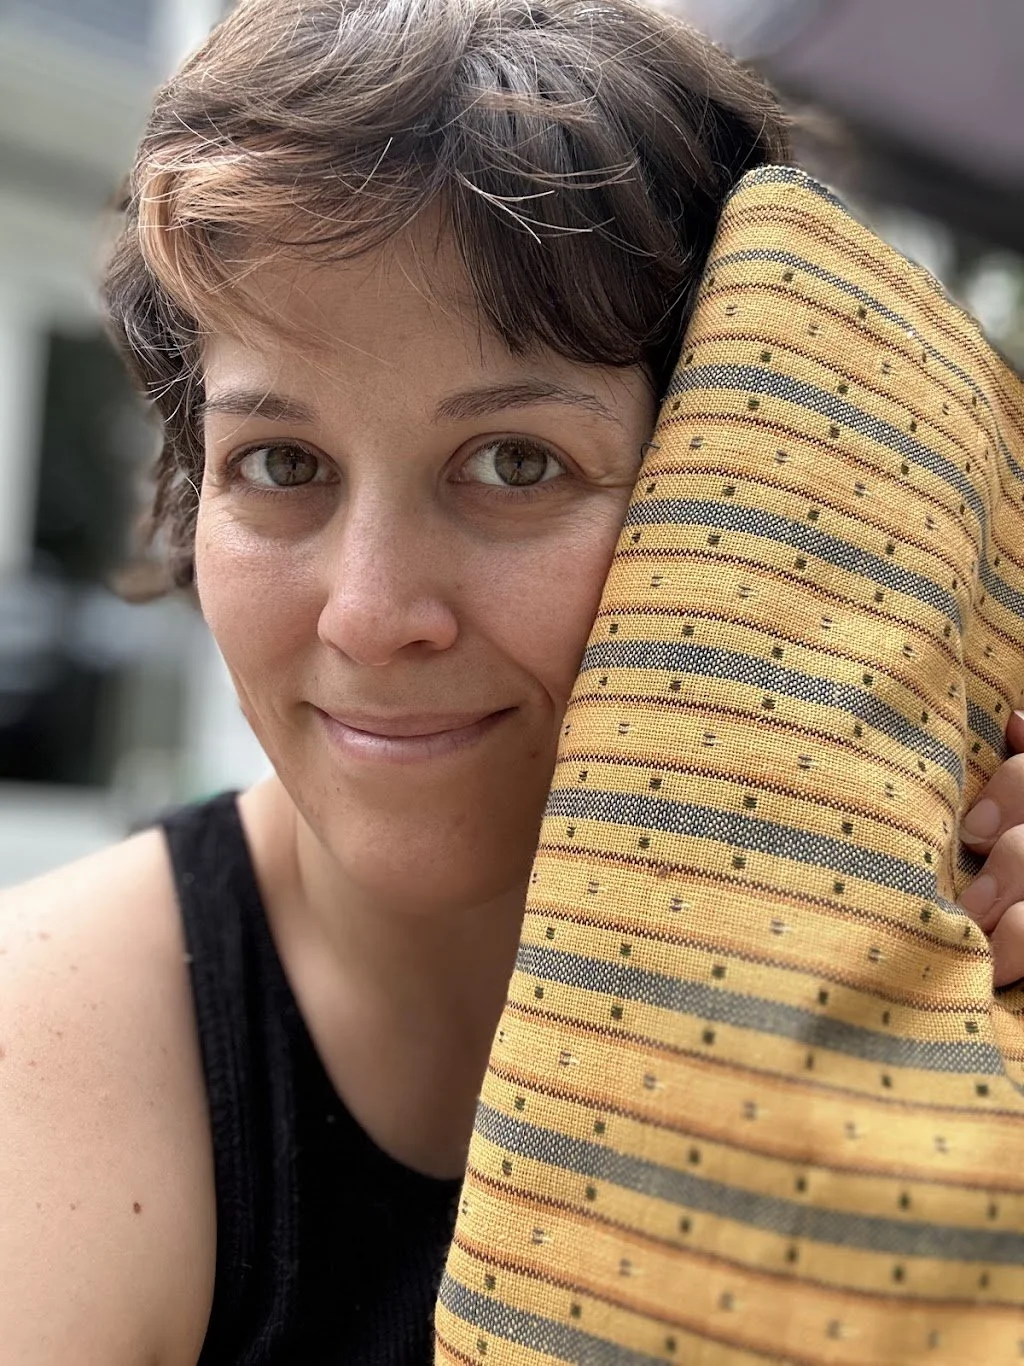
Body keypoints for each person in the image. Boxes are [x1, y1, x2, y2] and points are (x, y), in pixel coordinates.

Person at [0, 0, 1021, 1362]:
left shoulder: (940, 948)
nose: (370, 616)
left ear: (727, 486)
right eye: (283, 465)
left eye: (515, 462)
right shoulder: (42, 1049)